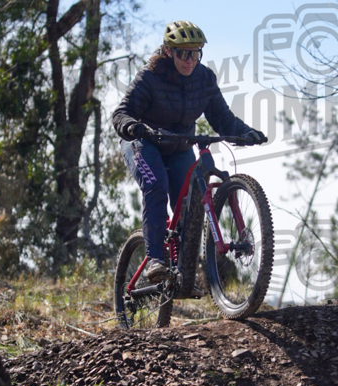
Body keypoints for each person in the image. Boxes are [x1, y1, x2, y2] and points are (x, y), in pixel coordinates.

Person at [112, 20, 267, 283]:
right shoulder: (149, 78)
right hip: (144, 143)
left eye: (196, 53)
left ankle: (183, 271)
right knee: (157, 186)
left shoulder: (204, 79)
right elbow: (121, 113)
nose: (190, 60)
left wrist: (246, 132)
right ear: (170, 52)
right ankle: (156, 259)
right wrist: (133, 127)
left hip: (179, 146)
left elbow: (222, 118)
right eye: (184, 53)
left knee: (190, 204)